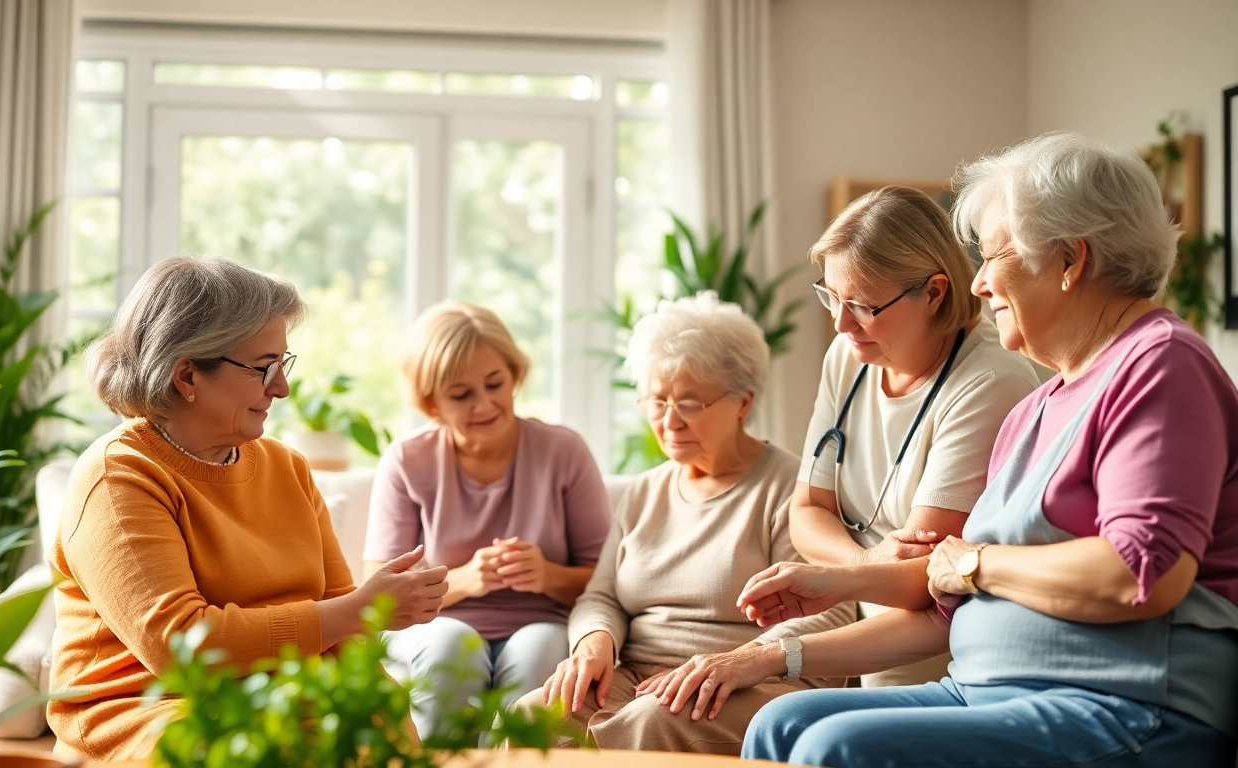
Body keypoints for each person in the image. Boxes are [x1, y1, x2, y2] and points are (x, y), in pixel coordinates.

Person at [740, 132, 1238, 767]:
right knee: (780, 722)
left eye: (993, 257)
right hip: (985, 688)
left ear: (1069, 261)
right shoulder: (1035, 407)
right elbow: (944, 607)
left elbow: (1146, 571)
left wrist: (976, 564)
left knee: (836, 748)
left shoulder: (1159, 364)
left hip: (1125, 703)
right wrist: (779, 653)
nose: (977, 285)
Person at [48, 257, 449, 761]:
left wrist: (387, 722)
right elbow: (180, 647)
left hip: (280, 699)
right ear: (187, 375)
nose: (281, 387)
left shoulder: (288, 468)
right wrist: (354, 612)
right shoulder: (118, 476)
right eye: (264, 367)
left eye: (284, 363)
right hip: (153, 707)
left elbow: (350, 636)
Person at [522, 292, 856, 754]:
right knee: (531, 717)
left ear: (743, 402)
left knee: (647, 723)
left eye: (691, 403)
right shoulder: (643, 491)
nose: (669, 421)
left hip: (747, 681)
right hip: (639, 676)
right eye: (657, 402)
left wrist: (735, 662)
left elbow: (830, 609)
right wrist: (594, 643)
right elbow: (602, 596)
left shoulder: (789, 490)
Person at [796, 185, 1039, 686]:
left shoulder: (990, 381)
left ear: (934, 292)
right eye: (831, 297)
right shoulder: (848, 357)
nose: (841, 323)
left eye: (862, 305)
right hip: (855, 627)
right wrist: (865, 565)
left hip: (941, 663)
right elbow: (805, 512)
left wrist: (846, 574)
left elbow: (924, 584)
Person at [363, 301, 612, 740]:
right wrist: (466, 581)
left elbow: (607, 579)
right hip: (435, 625)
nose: (485, 404)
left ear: (514, 375)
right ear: (431, 403)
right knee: (453, 647)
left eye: (495, 383)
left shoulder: (564, 452)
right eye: (461, 395)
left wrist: (546, 575)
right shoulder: (408, 461)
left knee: (539, 652)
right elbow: (378, 590)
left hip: (543, 621)